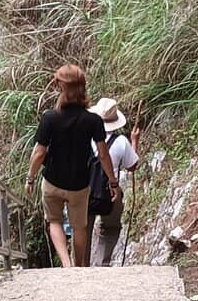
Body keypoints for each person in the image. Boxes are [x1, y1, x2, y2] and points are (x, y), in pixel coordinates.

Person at [24, 63, 120, 268]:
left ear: (60, 86)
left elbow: (39, 153)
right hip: (79, 185)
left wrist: (30, 178)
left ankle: (67, 265)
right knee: (79, 227)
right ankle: (79, 267)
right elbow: (103, 155)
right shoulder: (93, 120)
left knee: (55, 221)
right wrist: (112, 182)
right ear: (83, 87)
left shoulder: (50, 118)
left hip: (52, 181)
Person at [88, 97, 140, 268]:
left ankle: (80, 267)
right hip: (110, 191)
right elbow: (132, 166)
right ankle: (101, 264)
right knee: (109, 228)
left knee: (82, 229)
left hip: (84, 191)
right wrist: (134, 141)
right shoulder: (121, 142)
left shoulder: (85, 138)